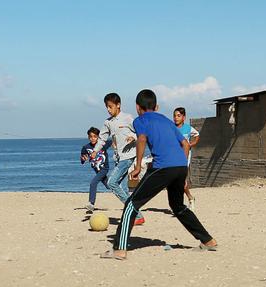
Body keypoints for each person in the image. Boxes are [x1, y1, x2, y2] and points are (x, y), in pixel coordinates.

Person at [104, 89, 218, 260]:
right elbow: (186, 144)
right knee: (177, 206)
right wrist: (183, 168)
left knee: (131, 205)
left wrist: (136, 166)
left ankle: (119, 249)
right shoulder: (166, 120)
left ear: (137, 107)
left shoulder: (140, 120)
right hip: (180, 166)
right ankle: (208, 241)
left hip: (162, 167)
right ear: (155, 106)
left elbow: (141, 139)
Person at [92, 93, 145, 226]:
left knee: (111, 183)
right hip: (118, 158)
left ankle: (136, 213)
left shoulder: (128, 118)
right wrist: (95, 151)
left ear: (118, 105)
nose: (109, 109)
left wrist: (133, 136)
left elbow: (141, 133)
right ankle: (132, 215)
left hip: (128, 157)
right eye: (107, 107)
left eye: (110, 106)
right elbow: (102, 139)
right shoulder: (108, 122)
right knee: (122, 188)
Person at [80, 127, 110, 213]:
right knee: (110, 186)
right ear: (88, 137)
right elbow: (82, 160)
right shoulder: (86, 147)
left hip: (104, 168)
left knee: (93, 183)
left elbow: (114, 141)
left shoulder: (102, 144)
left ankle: (91, 204)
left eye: (95, 136)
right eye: (90, 136)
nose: (92, 138)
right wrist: (83, 159)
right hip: (96, 170)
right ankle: (127, 195)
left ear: (98, 137)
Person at [173, 107, 200, 204]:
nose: (176, 118)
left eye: (178, 116)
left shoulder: (188, 128)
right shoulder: (171, 127)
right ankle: (190, 198)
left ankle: (184, 202)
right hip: (173, 157)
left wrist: (190, 145)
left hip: (184, 157)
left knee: (181, 180)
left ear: (183, 117)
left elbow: (197, 135)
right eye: (175, 116)